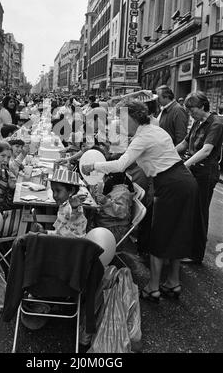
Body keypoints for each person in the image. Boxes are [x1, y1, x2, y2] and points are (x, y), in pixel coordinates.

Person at [82, 100, 198, 302]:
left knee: (159, 235)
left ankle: (153, 287)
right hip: (184, 180)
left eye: (123, 118)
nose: (121, 123)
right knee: (177, 233)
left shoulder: (143, 137)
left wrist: (94, 165)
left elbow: (121, 164)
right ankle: (173, 282)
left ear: (134, 117)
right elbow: (128, 155)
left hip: (170, 184)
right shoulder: (154, 130)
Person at [176, 91, 223, 264]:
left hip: (206, 173)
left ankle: (196, 254)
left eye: (192, 109)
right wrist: (168, 154)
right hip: (193, 171)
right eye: (188, 110)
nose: (190, 113)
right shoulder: (197, 121)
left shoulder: (216, 123)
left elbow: (206, 150)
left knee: (200, 212)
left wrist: (183, 165)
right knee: (190, 210)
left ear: (203, 106)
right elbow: (184, 144)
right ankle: (187, 247)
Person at [33, 168, 87, 238]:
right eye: (53, 191)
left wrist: (74, 207)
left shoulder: (74, 206)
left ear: (72, 191)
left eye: (58, 191)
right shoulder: (63, 205)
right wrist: (45, 232)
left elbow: (74, 214)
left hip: (73, 247)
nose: (54, 195)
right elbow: (60, 233)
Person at [90, 172, 134, 244]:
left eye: (103, 177)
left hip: (114, 230)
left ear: (109, 178)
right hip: (107, 224)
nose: (103, 180)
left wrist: (106, 201)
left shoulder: (122, 193)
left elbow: (122, 212)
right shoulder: (114, 188)